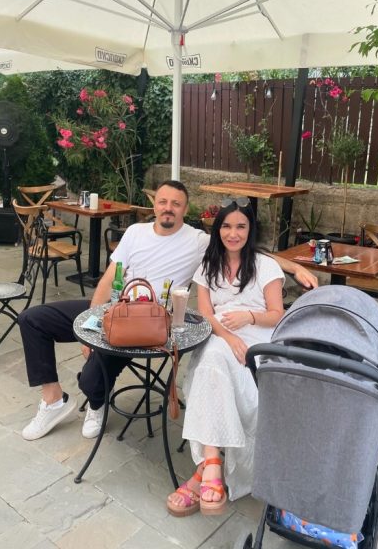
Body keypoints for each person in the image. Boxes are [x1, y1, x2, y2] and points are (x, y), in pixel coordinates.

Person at [18, 180, 317, 441]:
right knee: (33, 319)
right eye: (163, 201)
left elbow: (244, 244)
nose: (168, 208)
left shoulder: (198, 241)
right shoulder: (135, 232)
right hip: (115, 309)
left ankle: (97, 403)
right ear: (155, 205)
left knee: (90, 380)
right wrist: (94, 323)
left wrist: (293, 267)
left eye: (176, 204)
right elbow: (109, 278)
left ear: (185, 210)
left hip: (148, 322)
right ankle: (53, 400)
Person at [167, 199, 285, 517]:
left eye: (241, 226)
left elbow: (277, 314)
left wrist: (248, 316)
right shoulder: (208, 266)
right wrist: (228, 337)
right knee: (213, 357)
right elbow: (206, 314)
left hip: (256, 339)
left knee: (211, 366)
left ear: (250, 229)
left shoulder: (265, 266)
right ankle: (213, 463)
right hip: (219, 334)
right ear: (218, 229)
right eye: (227, 226)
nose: (233, 233)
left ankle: (205, 469)